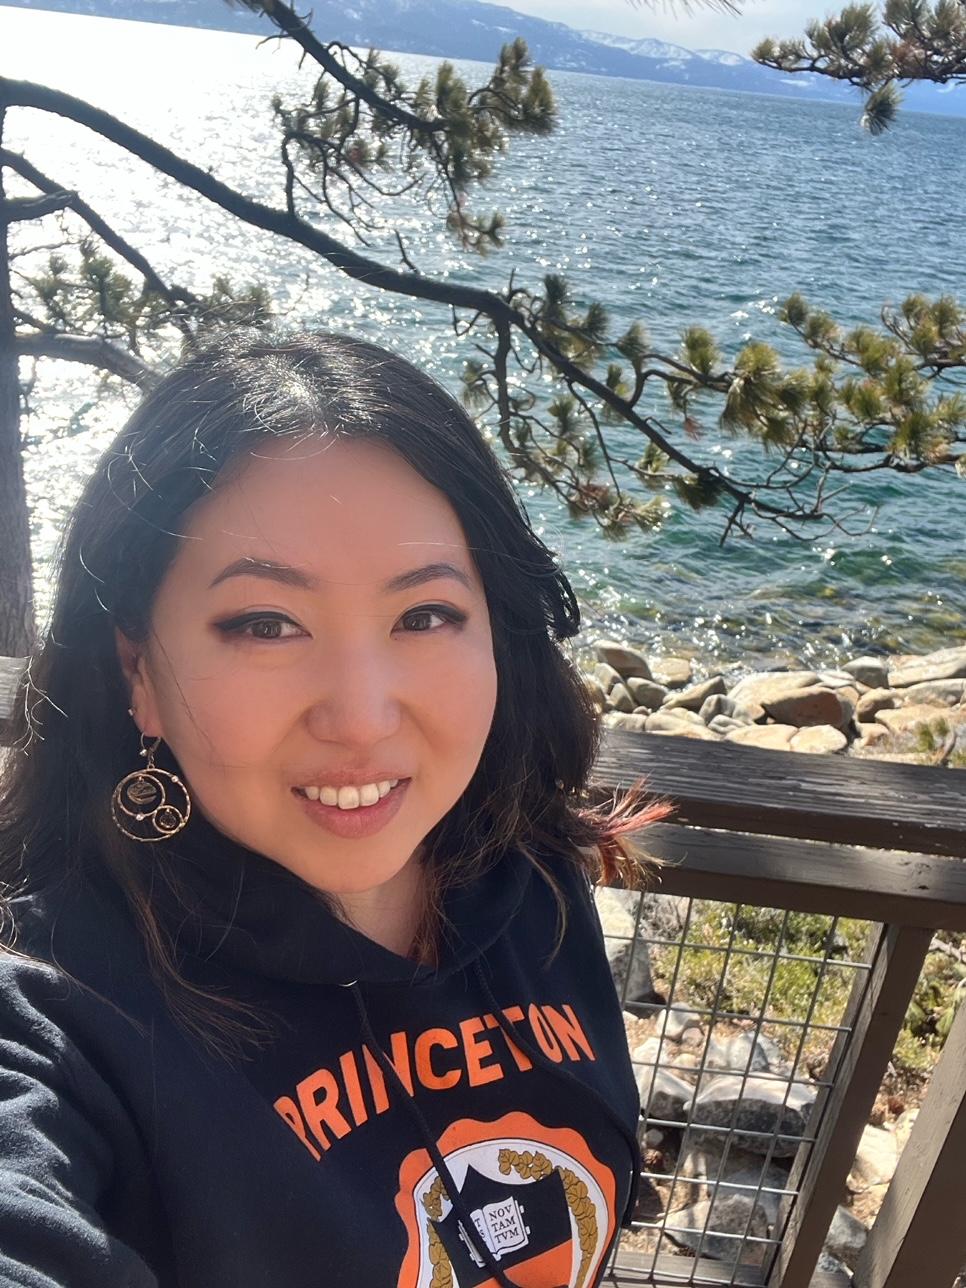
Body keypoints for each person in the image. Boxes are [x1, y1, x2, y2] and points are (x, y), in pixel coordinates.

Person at [0, 331, 666, 1288]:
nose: (361, 719)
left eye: (424, 615)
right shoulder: (60, 1008)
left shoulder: (530, 874)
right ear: (138, 671)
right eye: (265, 625)